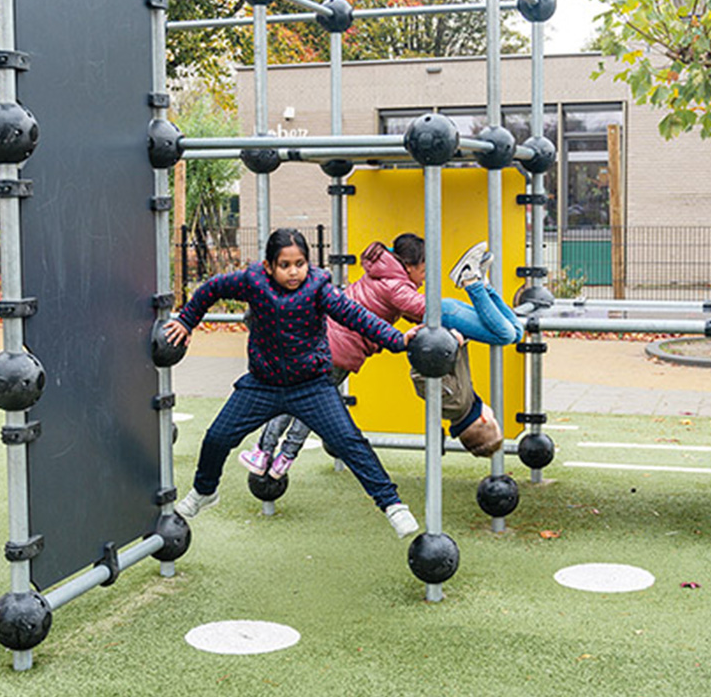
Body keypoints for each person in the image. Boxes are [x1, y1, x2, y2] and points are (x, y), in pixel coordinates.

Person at [164, 228, 420, 539]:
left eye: (300, 263)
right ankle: (205, 492)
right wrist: (186, 320)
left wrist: (397, 339)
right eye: (285, 265)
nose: (294, 272)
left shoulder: (318, 288)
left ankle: (392, 505)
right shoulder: (252, 282)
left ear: (308, 264)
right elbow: (212, 288)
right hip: (262, 384)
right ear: (269, 266)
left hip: (311, 387)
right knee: (217, 437)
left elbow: (355, 316)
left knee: (351, 443)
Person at [239, 235, 523, 478]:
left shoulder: (384, 278)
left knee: (514, 331)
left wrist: (451, 338)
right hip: (339, 350)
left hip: (325, 346)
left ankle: (267, 454)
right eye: (424, 270)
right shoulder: (395, 285)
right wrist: (449, 336)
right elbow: (425, 310)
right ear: (409, 267)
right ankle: (472, 279)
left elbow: (407, 311)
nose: (426, 277)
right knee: (507, 335)